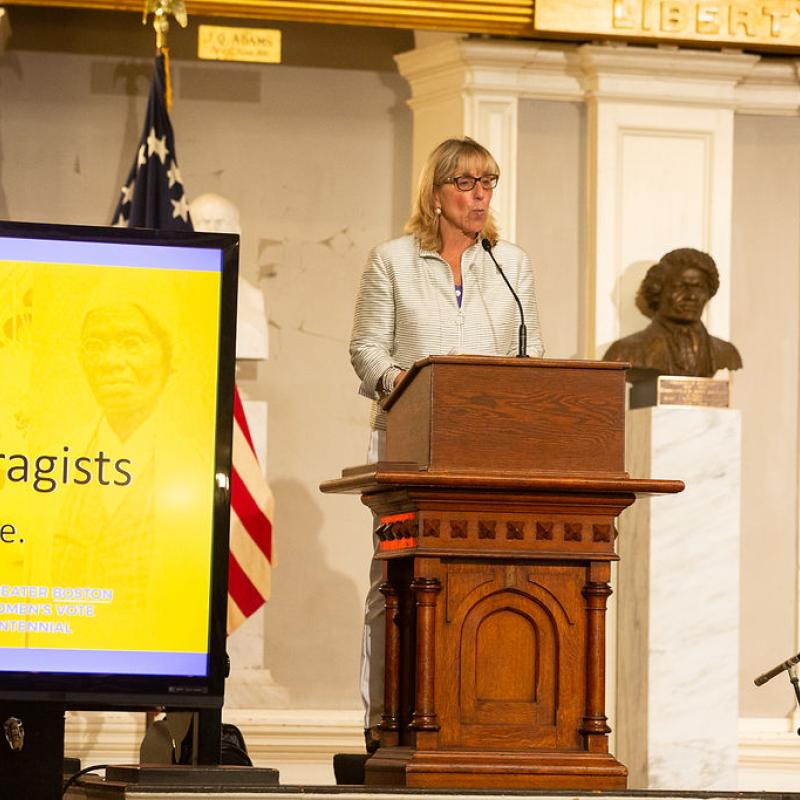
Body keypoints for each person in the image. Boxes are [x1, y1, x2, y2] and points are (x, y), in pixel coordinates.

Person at [349, 136, 545, 750]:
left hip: (490, 452)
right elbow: (366, 353)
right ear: (435, 195)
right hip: (410, 447)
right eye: (465, 182)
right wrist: (406, 385)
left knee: (482, 580)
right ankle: (384, 722)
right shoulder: (393, 260)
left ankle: (471, 719)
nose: (480, 194)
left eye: (488, 182)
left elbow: (531, 357)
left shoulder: (512, 264)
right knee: (397, 582)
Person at [603, 248, 742, 379]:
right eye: (681, 286)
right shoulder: (625, 352)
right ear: (658, 291)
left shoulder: (727, 353)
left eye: (699, 287)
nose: (692, 296)